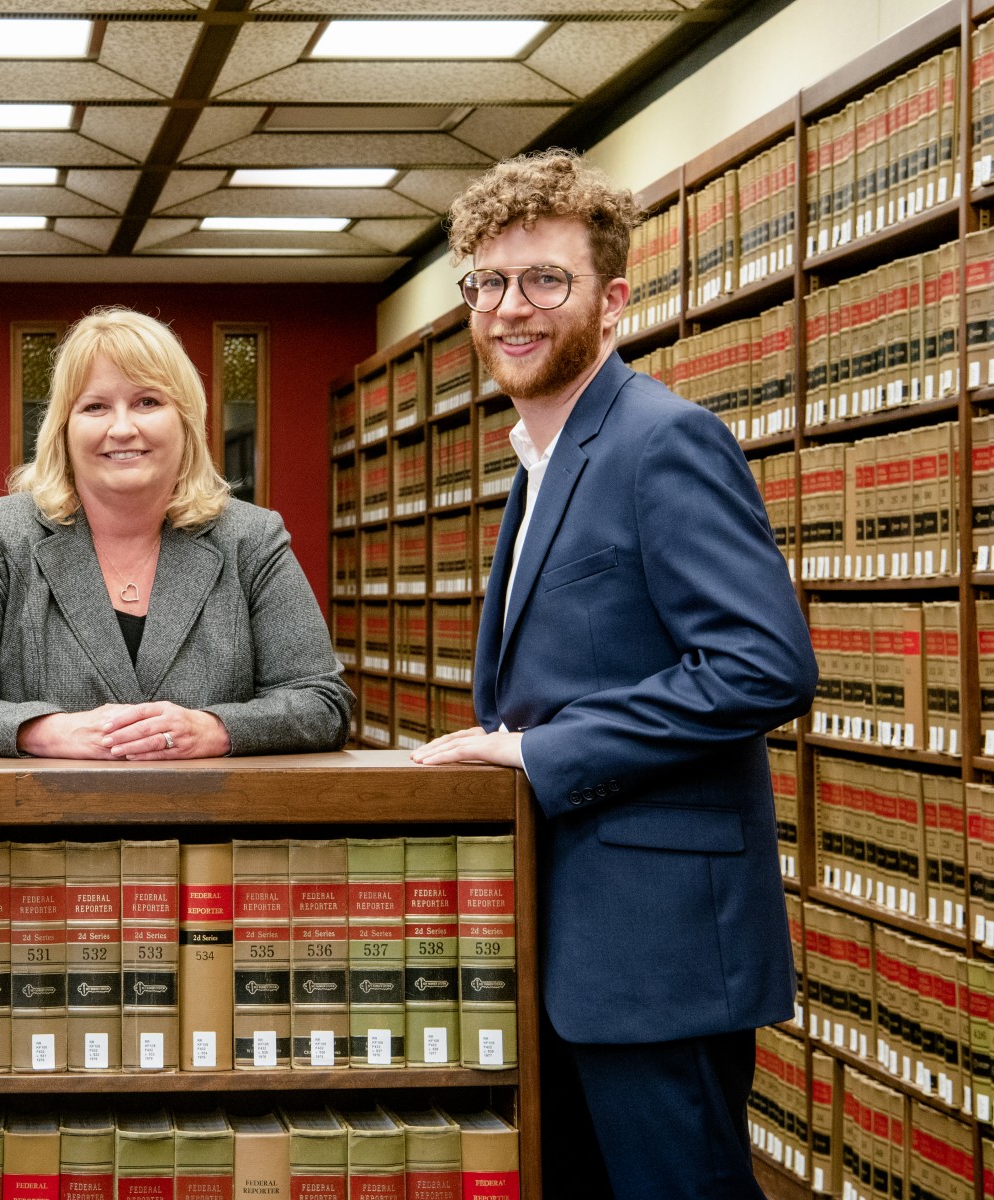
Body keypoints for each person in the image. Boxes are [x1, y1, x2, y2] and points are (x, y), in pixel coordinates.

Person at [409, 151, 816, 1199]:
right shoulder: (542, 464)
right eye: (488, 284)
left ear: (615, 300)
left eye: (547, 280)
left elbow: (762, 665)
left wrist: (535, 752)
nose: (511, 309)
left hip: (658, 954)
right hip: (568, 951)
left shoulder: (661, 441)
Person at [0, 306, 350, 759]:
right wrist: (43, 730)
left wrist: (215, 730)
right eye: (95, 407)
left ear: (186, 421)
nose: (122, 428)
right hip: (38, 824)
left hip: (213, 823)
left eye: (147, 402)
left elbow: (323, 703)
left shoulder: (251, 540)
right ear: (64, 430)